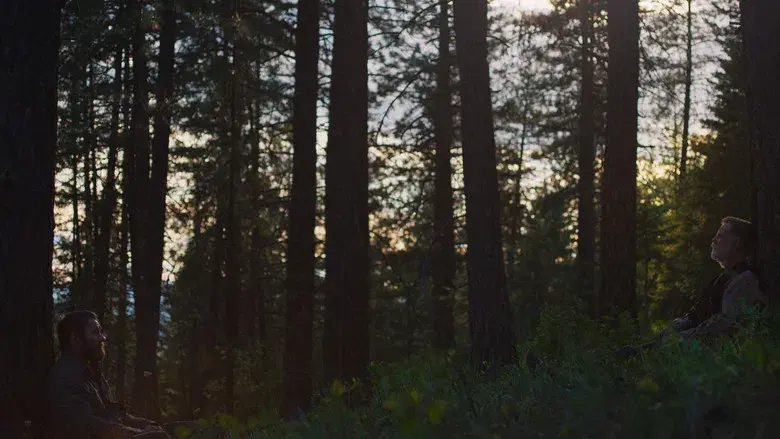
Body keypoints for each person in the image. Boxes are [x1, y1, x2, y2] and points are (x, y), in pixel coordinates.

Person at [618, 216, 764, 357]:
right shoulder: (721, 278)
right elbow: (697, 315)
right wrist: (677, 326)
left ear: (736, 243)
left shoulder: (744, 280)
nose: (713, 240)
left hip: (707, 353)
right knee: (632, 352)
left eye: (720, 236)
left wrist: (682, 337)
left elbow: (726, 326)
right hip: (691, 344)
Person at [47, 310, 170, 439]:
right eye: (95, 332)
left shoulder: (92, 374)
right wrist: (137, 433)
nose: (102, 338)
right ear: (75, 338)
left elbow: (116, 415)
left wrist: (148, 424)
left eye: (100, 331)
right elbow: (89, 425)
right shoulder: (64, 377)